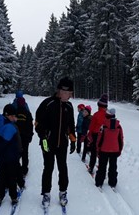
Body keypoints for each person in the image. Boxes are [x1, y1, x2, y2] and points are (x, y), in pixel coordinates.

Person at [34, 77, 77, 207]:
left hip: (62, 143)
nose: (70, 96)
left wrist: (73, 139)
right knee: (48, 167)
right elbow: (37, 124)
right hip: (47, 142)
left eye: (71, 93)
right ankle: (46, 194)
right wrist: (43, 137)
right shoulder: (47, 104)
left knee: (62, 167)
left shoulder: (69, 106)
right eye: (69, 93)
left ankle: (63, 192)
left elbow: (70, 125)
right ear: (61, 91)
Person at [0, 104, 23, 207]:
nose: (15, 118)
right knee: (11, 176)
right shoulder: (10, 127)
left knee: (2, 175)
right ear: (7, 115)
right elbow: (5, 142)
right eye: (13, 116)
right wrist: (19, 151)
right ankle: (13, 197)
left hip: (2, 157)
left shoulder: (0, 123)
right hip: (11, 156)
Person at [95, 108, 124, 188]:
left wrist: (98, 149)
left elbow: (99, 139)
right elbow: (121, 139)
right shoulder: (118, 126)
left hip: (104, 150)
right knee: (113, 166)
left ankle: (99, 182)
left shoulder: (103, 126)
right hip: (115, 150)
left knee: (102, 166)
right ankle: (112, 182)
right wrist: (120, 150)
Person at [85, 94, 108, 175]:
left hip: (95, 135)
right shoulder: (107, 115)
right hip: (104, 136)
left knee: (94, 152)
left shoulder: (96, 114)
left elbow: (91, 127)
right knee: (102, 153)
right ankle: (102, 169)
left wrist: (89, 135)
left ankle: (91, 167)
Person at [13, 95, 33, 177]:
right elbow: (30, 125)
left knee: (17, 153)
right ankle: (24, 170)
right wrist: (30, 135)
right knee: (25, 153)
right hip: (25, 137)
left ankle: (16, 169)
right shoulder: (27, 113)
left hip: (16, 137)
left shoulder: (15, 113)